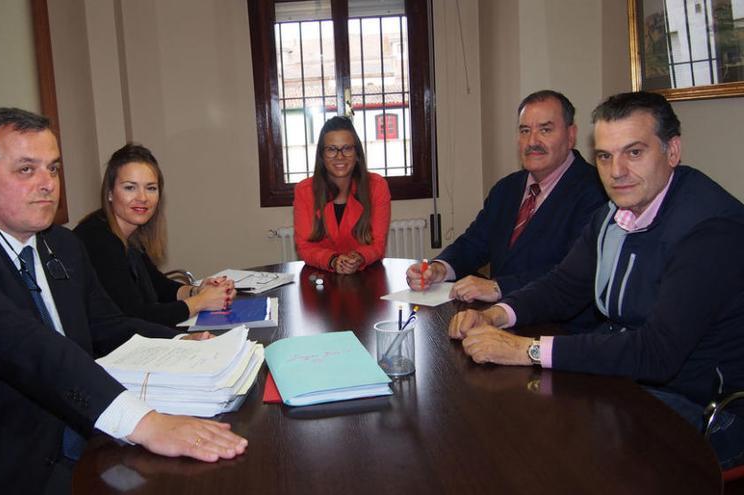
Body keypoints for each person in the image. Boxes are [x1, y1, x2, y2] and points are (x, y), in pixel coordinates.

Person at [0, 108, 247, 495]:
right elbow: (28, 347)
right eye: (26, 170)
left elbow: (105, 324)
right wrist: (148, 425)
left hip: (69, 442)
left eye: (53, 168)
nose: (48, 183)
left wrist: (177, 342)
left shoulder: (61, 244)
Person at [449, 92, 744, 468]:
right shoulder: (613, 213)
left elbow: (657, 354)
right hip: (628, 384)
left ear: (672, 151)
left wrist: (527, 350)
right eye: (605, 156)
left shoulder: (709, 229)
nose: (616, 171)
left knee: (557, 459)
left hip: (704, 410)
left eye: (634, 152)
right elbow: (564, 286)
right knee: (514, 430)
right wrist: (497, 315)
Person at [407, 90, 606, 304]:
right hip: (500, 317)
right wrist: (440, 268)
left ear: (571, 135)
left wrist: (498, 287)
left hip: (559, 326)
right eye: (524, 130)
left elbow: (574, 273)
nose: (532, 141)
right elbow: (474, 243)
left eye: (545, 130)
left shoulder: (596, 191)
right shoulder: (507, 188)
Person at [74, 143, 235, 326]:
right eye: (130, 187)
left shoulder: (130, 234)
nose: (142, 197)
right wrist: (200, 302)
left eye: (151, 188)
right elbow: (135, 316)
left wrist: (197, 291)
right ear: (110, 193)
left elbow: (159, 287)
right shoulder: (98, 240)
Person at [293, 116, 391, 274]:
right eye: (331, 149)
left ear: (357, 153)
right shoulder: (304, 191)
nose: (340, 156)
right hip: (322, 279)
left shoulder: (377, 187)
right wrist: (333, 261)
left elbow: (378, 245)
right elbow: (305, 247)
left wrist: (359, 257)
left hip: (366, 277)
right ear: (322, 156)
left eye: (347, 148)